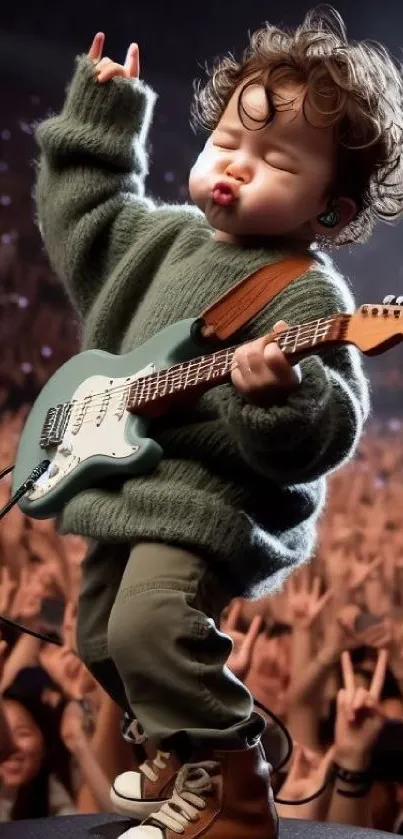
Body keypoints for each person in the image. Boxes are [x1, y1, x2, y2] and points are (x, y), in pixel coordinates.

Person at [34, 7, 403, 839]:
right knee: (99, 636)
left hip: (208, 503)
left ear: (332, 212)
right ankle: (179, 747)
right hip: (122, 484)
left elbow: (328, 427)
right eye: (228, 143)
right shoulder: (160, 238)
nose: (237, 165)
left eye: (275, 161)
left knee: (149, 624)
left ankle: (234, 792)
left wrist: (273, 396)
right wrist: (102, 121)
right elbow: (83, 216)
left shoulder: (306, 296)